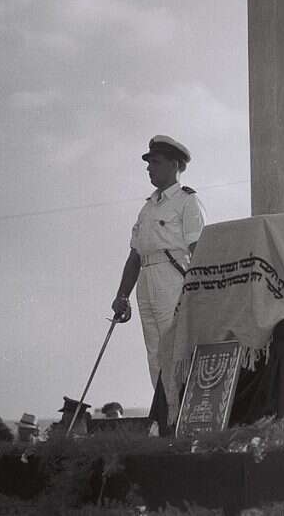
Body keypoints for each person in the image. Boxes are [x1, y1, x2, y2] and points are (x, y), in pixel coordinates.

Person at [111, 135, 206, 388]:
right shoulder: (148, 207)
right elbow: (134, 256)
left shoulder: (187, 201)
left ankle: (181, 413)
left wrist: (200, 291)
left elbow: (198, 249)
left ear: (174, 165)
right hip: (146, 278)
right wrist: (122, 295)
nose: (149, 167)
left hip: (173, 277)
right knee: (154, 351)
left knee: (174, 346)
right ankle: (163, 413)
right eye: (149, 162)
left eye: (156, 161)